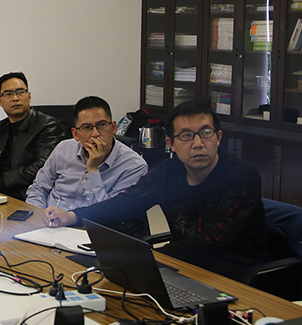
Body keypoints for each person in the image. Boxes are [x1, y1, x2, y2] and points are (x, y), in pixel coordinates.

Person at [45, 100, 295, 282]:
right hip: (185, 270)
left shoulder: (240, 176)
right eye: (186, 136)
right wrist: (73, 216)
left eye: (205, 133)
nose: (198, 143)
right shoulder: (168, 172)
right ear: (171, 144)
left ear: (218, 138)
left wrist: (148, 259)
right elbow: (124, 203)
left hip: (238, 277)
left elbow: (212, 241)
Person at [26, 96, 147, 215]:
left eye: (102, 125)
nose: (95, 134)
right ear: (75, 134)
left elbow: (109, 214)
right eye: (87, 127)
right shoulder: (63, 149)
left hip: (90, 225)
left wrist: (93, 170)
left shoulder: (134, 166)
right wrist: (38, 216)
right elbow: (39, 188)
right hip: (48, 220)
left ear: (113, 128)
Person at [0, 72, 64, 200]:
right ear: (0, 101)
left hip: (25, 195)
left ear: (29, 96)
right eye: (8, 94)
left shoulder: (48, 126)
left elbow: (42, 167)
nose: (15, 98)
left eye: (20, 92)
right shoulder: (0, 127)